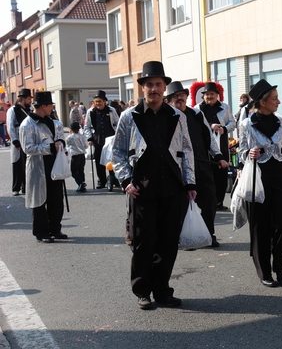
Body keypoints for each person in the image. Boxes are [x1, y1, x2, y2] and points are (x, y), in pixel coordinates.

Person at [112, 60, 197, 310]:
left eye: (158, 84)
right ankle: (142, 291)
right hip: (142, 188)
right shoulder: (130, 117)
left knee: (168, 242)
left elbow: (187, 150)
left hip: (172, 187)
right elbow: (117, 152)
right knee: (143, 242)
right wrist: (126, 180)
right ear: (142, 88)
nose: (154, 89)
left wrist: (190, 181)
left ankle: (162, 290)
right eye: (149, 84)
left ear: (165, 88)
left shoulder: (177, 116)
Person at [238, 79, 282, 288]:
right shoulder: (247, 124)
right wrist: (249, 153)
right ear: (263, 102)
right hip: (258, 178)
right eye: (274, 99)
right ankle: (265, 271)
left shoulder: (281, 122)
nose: (278, 102)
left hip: (280, 176)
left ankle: (279, 265)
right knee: (261, 227)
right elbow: (240, 152)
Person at [166, 81, 228, 248]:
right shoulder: (167, 116)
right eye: (175, 96)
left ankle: (208, 234)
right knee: (183, 205)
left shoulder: (196, 114)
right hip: (179, 169)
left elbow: (209, 137)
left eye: (182, 95)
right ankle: (186, 236)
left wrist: (220, 156)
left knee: (210, 202)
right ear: (169, 100)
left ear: (187, 96)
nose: (179, 98)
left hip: (202, 166)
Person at [19, 91, 68, 243]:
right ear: (43, 106)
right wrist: (51, 147)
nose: (52, 108)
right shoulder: (27, 124)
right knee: (39, 200)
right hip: (37, 166)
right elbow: (28, 148)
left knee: (56, 198)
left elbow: (60, 138)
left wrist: (61, 143)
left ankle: (55, 228)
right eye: (50, 105)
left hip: (54, 164)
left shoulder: (53, 122)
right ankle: (41, 232)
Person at [197, 83, 236, 211]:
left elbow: (233, 123)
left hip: (222, 146)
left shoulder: (225, 107)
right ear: (203, 96)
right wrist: (211, 125)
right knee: (208, 176)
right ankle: (208, 202)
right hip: (205, 148)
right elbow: (195, 125)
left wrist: (224, 128)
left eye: (212, 94)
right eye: (207, 94)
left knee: (221, 176)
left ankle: (219, 202)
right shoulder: (197, 109)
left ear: (217, 95)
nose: (209, 96)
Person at [84, 90, 119, 189]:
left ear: (104, 101)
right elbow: (87, 126)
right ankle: (102, 181)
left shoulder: (111, 110)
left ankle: (114, 179)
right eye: (96, 102)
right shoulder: (90, 112)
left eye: (99, 101)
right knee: (99, 161)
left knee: (112, 160)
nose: (98, 104)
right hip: (98, 139)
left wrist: (117, 135)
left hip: (111, 140)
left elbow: (117, 123)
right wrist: (89, 138)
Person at [6, 88, 32, 196]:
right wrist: (15, 141)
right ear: (23, 99)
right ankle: (16, 187)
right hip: (17, 138)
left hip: (27, 139)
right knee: (17, 163)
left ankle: (25, 186)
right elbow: (10, 126)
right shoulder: (13, 110)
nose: (30, 101)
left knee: (26, 163)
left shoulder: (28, 110)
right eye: (29, 98)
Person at [66, 122, 87, 193]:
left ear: (71, 129)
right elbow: (86, 146)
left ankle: (80, 183)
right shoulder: (82, 136)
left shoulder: (70, 137)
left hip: (75, 155)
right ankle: (82, 184)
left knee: (74, 171)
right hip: (82, 155)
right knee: (81, 170)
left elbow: (67, 145)